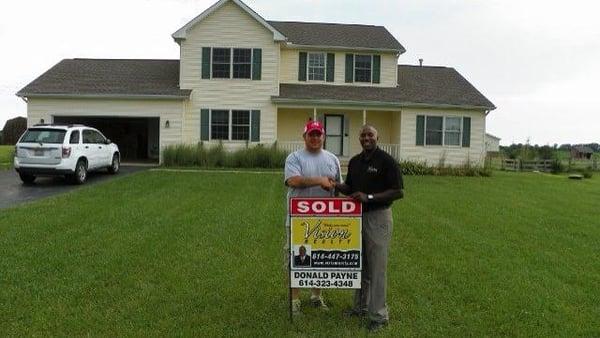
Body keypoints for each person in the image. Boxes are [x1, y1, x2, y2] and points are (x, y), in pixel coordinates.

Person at [332, 124, 404, 332]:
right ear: (359, 138)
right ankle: (360, 307)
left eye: (370, 134)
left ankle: (379, 316)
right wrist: (335, 184)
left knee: (377, 268)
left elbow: (398, 191)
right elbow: (351, 189)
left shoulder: (387, 161)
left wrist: (370, 197)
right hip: (356, 218)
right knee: (359, 264)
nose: (366, 138)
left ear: (377, 137)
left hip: (378, 217)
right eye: (363, 135)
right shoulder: (355, 162)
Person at [284, 119, 342, 315]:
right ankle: (295, 301)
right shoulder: (294, 157)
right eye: (312, 134)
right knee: (299, 258)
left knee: (320, 258)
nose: (315, 137)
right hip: (299, 218)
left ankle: (316, 296)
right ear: (305, 137)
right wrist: (319, 180)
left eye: (319, 134)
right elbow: (292, 180)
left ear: (323, 137)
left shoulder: (332, 159)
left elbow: (338, 187)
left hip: (324, 219)